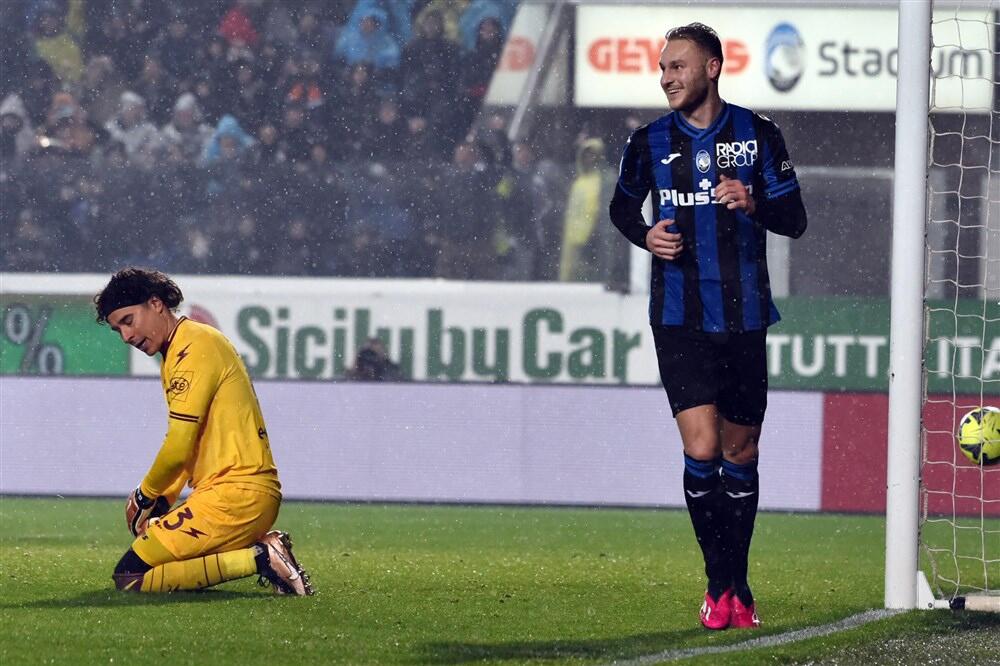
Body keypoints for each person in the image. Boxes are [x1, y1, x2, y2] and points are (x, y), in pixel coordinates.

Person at [608, 23, 807, 631]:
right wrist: (645, 234)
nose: (666, 77)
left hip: (745, 316)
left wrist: (754, 203)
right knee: (701, 449)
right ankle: (717, 584)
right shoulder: (648, 142)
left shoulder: (759, 135)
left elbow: (795, 219)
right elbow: (621, 207)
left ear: (713, 68)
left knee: (739, 451)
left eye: (678, 66)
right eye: (662, 68)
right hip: (680, 318)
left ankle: (738, 585)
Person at [94, 267, 313, 595]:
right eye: (117, 330)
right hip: (236, 495)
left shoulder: (193, 346)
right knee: (167, 570)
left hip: (235, 498)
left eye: (128, 321)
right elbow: (189, 446)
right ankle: (266, 555)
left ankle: (263, 558)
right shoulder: (181, 349)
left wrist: (145, 495)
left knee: (130, 578)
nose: (126, 336)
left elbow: (179, 444)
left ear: (156, 304)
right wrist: (165, 499)